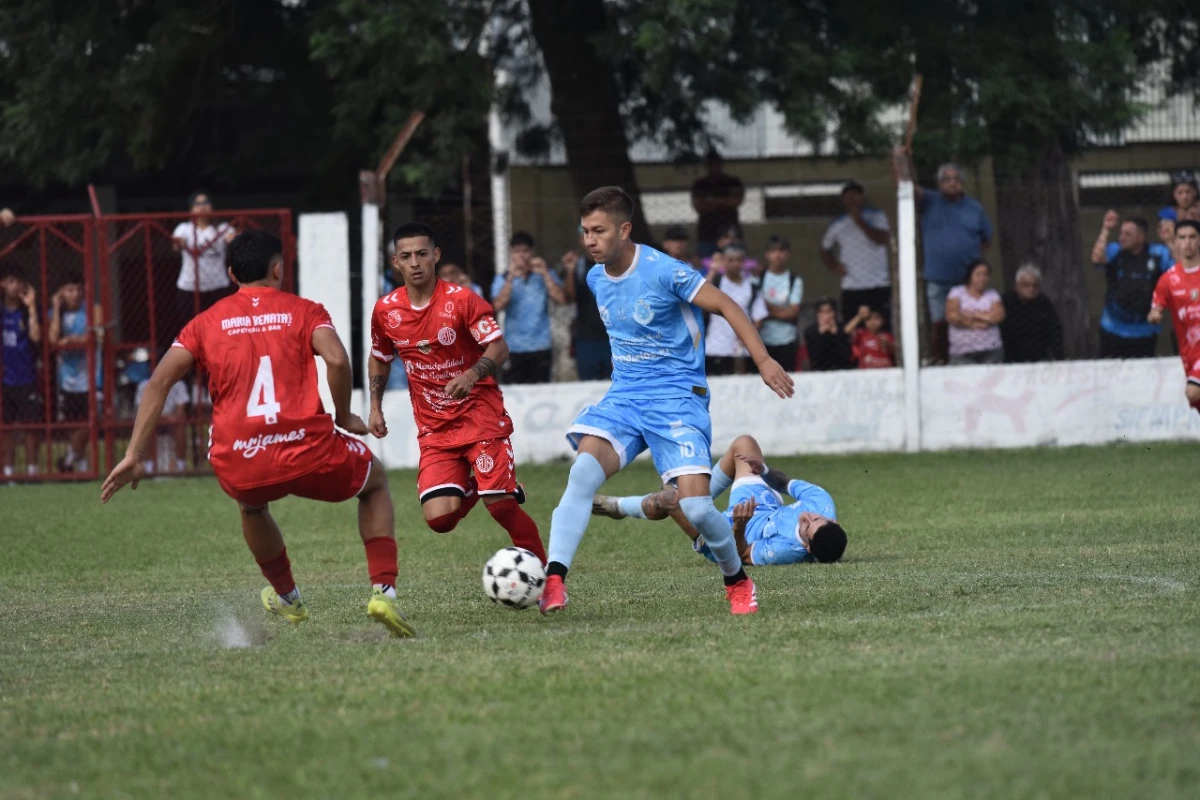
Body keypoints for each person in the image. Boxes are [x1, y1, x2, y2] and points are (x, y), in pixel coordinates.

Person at [100, 230, 415, 638]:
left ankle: (288, 596)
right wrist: (342, 414)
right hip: (308, 449)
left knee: (251, 507)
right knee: (373, 484)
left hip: (241, 457)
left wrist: (135, 454)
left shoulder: (204, 323)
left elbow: (158, 381)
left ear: (230, 273)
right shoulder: (304, 310)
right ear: (278, 269)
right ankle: (383, 592)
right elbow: (336, 359)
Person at [539, 186, 794, 616]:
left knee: (695, 507)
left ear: (624, 229)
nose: (590, 241)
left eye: (598, 231)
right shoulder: (595, 276)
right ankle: (554, 580)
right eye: (584, 231)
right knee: (582, 475)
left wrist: (764, 360)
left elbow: (728, 305)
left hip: (677, 399)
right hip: (625, 397)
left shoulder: (663, 270)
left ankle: (736, 579)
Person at [368, 222, 546, 563]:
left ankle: (550, 580)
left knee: (502, 507)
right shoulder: (386, 311)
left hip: (480, 415)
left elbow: (498, 347)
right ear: (396, 263)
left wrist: (473, 373)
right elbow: (379, 359)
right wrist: (375, 407)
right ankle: (483, 483)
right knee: (440, 519)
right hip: (435, 428)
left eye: (422, 253)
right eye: (406, 256)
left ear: (436, 255)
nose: (415, 262)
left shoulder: (462, 300)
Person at [592, 434, 846, 566]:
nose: (806, 516)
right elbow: (784, 483)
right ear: (831, 519)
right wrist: (765, 471)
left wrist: (739, 526)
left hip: (729, 534)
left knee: (670, 499)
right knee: (744, 444)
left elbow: (742, 555)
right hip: (761, 504)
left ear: (808, 548)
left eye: (806, 527)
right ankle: (694, 492)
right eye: (816, 518)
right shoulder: (821, 502)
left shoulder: (786, 551)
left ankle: (619, 506)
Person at [915, 163, 993, 364]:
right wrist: (900, 160)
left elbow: (986, 238)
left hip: (967, 280)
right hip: (938, 278)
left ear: (962, 182)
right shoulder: (929, 201)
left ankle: (969, 359)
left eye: (956, 179)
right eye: (946, 179)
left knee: (971, 320)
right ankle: (940, 361)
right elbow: (906, 187)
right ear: (938, 183)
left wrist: (975, 263)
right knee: (940, 323)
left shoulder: (974, 207)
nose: (952, 183)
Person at [1090, 210, 1173, 358]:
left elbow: (1182, 268)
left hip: (1145, 330)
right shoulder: (1114, 250)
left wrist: (1170, 241)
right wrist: (1106, 230)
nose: (1122, 237)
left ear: (1141, 237)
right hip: (1113, 328)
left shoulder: (1158, 253)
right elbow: (1097, 259)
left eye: (1127, 234)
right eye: (1121, 233)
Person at [490, 232, 565, 384]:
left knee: (542, 390)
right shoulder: (503, 278)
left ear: (532, 253)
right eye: (517, 252)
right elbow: (497, 307)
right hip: (514, 347)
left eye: (525, 251)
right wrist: (510, 279)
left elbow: (561, 299)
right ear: (511, 253)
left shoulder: (545, 274)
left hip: (541, 344)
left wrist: (544, 273)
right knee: (515, 393)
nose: (522, 256)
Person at [48, 274, 102, 473]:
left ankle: (70, 459)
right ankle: (81, 466)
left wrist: (69, 341)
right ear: (61, 293)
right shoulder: (56, 313)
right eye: (69, 290)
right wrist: (55, 308)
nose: (75, 294)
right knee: (73, 424)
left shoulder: (92, 309)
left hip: (90, 378)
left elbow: (92, 338)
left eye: (78, 289)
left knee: (90, 423)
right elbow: (53, 339)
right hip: (67, 380)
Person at [821, 181, 892, 329]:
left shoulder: (877, 216)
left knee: (882, 328)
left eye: (855, 196)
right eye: (848, 197)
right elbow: (825, 249)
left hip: (879, 284)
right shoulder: (838, 224)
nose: (852, 200)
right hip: (852, 287)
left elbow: (882, 239)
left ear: (862, 198)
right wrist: (834, 266)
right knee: (852, 329)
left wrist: (859, 221)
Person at [170, 190, 237, 344]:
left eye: (205, 202)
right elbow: (176, 244)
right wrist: (179, 243)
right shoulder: (184, 228)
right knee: (192, 330)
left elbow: (232, 240)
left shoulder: (221, 227)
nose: (202, 207)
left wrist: (232, 239)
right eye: (197, 204)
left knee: (220, 328)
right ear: (191, 209)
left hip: (217, 286)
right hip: (189, 287)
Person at [1149, 221, 1200, 414]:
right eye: (1182, 237)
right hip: (1189, 351)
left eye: (1192, 237)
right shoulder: (1168, 279)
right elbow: (1156, 307)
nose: (1187, 242)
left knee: (1193, 392)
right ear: (1176, 242)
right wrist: (1155, 314)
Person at [703, 244, 768, 376]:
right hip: (716, 348)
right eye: (730, 260)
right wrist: (713, 271)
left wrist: (748, 336)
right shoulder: (716, 282)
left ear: (743, 262)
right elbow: (700, 294)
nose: (734, 264)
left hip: (744, 350)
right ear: (724, 261)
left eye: (738, 260)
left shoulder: (752, 287)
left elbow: (759, 317)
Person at [1, 272, 41, 476]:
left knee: (30, 427)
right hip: (5, 379)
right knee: (7, 428)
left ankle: (32, 471)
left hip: (27, 377)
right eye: (9, 281)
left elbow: (36, 336)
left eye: (17, 280)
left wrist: (32, 306)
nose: (13, 285)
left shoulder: (26, 312)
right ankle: (8, 471)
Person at [562, 236, 612, 381]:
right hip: (586, 339)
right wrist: (570, 271)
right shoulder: (579, 267)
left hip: (612, 337)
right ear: (581, 242)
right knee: (588, 386)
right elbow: (569, 298)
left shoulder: (613, 265)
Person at [1000, 263, 1063, 363]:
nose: (1031, 289)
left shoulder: (1044, 303)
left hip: (1039, 357)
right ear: (1017, 285)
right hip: (1011, 358)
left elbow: (1055, 331)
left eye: (1035, 285)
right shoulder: (1006, 301)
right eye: (1026, 285)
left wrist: (1058, 357)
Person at [946, 259, 1005, 365]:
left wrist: (972, 314)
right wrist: (982, 319)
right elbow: (952, 316)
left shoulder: (992, 294)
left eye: (986, 275)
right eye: (978, 274)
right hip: (962, 353)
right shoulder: (957, 292)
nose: (982, 278)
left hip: (991, 351)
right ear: (970, 276)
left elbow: (999, 316)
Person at [757, 236, 803, 369]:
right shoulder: (758, 278)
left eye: (781, 251)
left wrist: (765, 308)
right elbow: (753, 310)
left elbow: (793, 312)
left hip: (787, 340)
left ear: (788, 254)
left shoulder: (794, 280)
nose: (777, 255)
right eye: (773, 251)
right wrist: (781, 311)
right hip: (761, 341)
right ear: (767, 254)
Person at [691, 150, 745, 258]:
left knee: (734, 263)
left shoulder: (733, 182)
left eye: (716, 164)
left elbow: (736, 201)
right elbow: (699, 206)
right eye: (711, 164)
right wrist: (724, 202)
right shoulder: (700, 184)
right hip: (707, 234)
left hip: (730, 233)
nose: (714, 167)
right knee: (706, 267)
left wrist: (712, 201)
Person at [803, 298, 854, 371]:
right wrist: (820, 335)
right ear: (817, 314)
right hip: (819, 373)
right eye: (822, 312)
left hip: (842, 371)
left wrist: (836, 334)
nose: (826, 316)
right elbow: (814, 359)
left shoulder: (843, 329)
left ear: (834, 313)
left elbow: (846, 356)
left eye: (829, 311)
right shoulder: (810, 331)